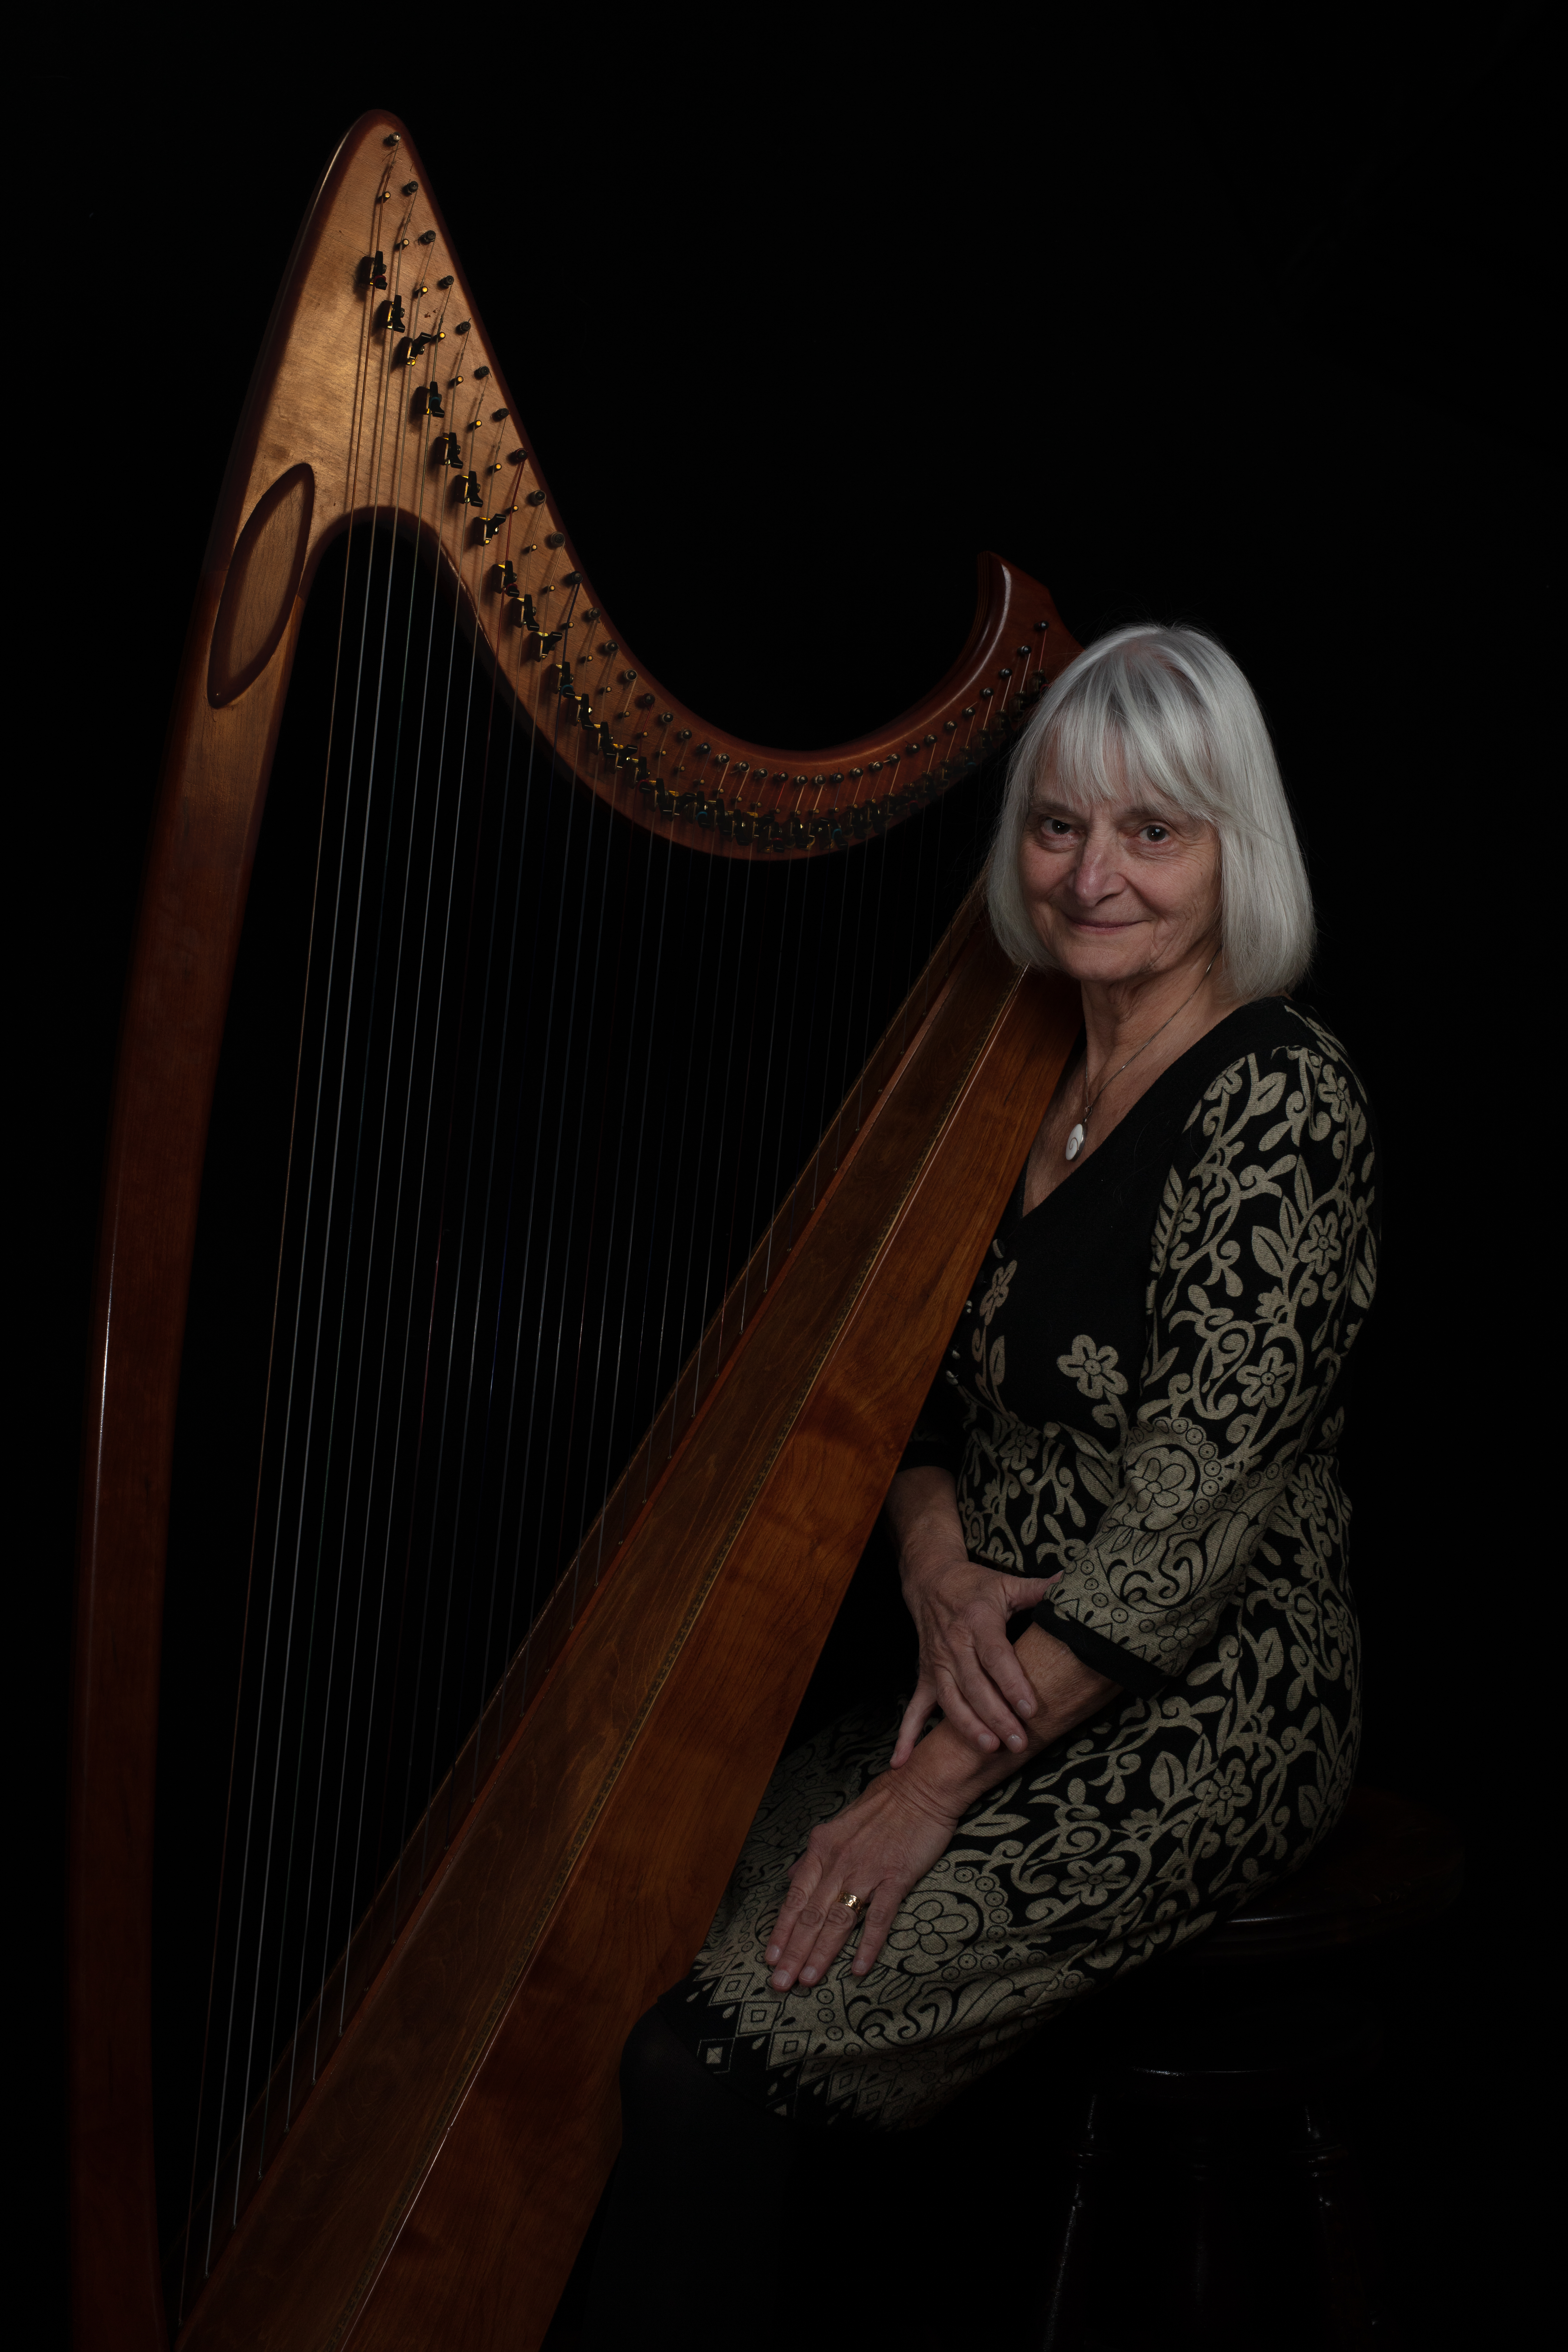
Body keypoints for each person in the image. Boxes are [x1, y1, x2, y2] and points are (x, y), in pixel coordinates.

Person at [578, 623, 1377, 2346]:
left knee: (705, 2065)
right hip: (985, 1661)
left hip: (1198, 1698)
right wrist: (937, 1569)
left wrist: (923, 1795)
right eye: (1058, 827)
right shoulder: (1020, 1078)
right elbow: (912, 1417)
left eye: (1152, 832)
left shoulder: (1280, 1099)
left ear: (1235, 845)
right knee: (615, 1952)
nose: (1095, 877)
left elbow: (1184, 1529)